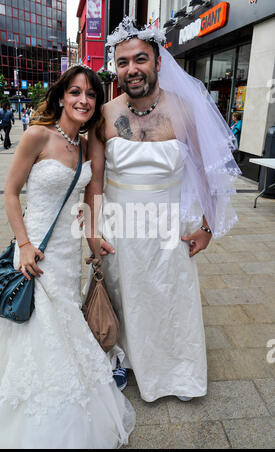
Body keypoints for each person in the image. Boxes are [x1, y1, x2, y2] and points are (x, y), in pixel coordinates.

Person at [0, 65, 135, 449]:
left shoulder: (88, 142)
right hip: (34, 250)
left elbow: (92, 194)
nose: (84, 100)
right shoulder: (37, 136)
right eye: (76, 92)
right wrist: (24, 244)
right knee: (30, 323)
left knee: (63, 325)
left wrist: (96, 240)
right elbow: (10, 192)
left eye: (91, 95)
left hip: (67, 253)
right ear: (61, 96)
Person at [84, 18, 240, 402]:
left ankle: (175, 368)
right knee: (123, 293)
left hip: (170, 226)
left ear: (157, 60)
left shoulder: (185, 109)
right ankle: (121, 356)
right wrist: (91, 231)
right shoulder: (104, 114)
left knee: (169, 295)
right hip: (121, 224)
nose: (132, 69)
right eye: (123, 62)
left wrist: (207, 226)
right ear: (115, 68)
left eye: (140, 59)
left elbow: (209, 173)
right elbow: (95, 181)